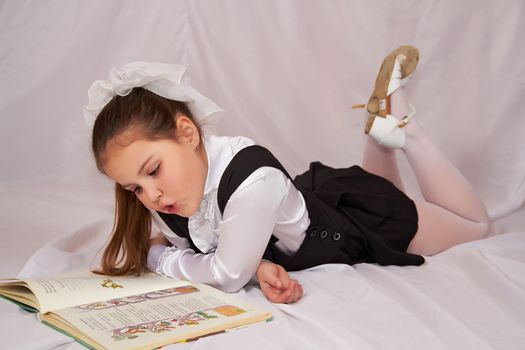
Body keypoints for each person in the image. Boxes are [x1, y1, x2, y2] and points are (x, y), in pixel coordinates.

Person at [84, 46, 490, 304]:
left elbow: (225, 274)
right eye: (134, 187)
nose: (151, 195)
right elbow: (211, 248)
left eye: (153, 171)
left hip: (356, 226)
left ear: (187, 133)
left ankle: (404, 127)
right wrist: (258, 265)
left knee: (476, 226)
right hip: (324, 199)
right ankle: (381, 135)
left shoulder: (252, 183)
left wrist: (159, 256)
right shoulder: (175, 190)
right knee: (383, 190)